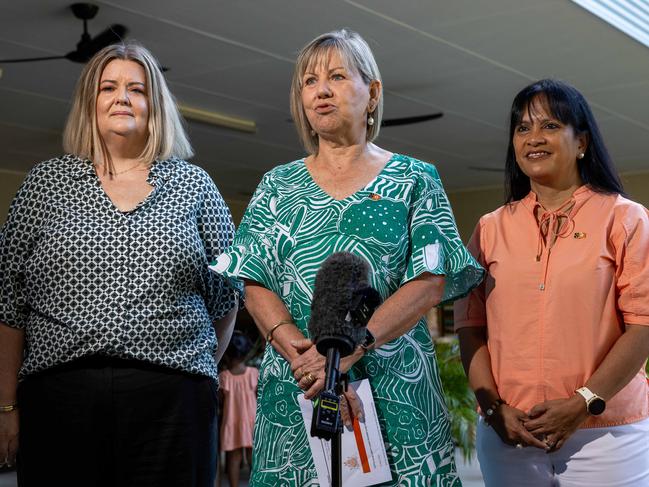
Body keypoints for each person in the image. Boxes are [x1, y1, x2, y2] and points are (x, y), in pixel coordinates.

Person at [210, 29, 483, 486]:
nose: (321, 90)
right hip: (298, 389)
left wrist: (349, 349)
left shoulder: (416, 178)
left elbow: (431, 279)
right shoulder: (276, 185)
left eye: (337, 76)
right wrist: (304, 354)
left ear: (372, 93)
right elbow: (253, 280)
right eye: (309, 81)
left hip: (397, 389)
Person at [0, 42, 240, 487]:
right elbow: (9, 306)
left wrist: (195, 366)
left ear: (156, 105)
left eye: (137, 88)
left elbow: (226, 296)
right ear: (90, 103)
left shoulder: (195, 185)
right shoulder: (45, 183)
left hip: (173, 404)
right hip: (59, 401)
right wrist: (6, 408)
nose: (122, 97)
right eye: (108, 87)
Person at [454, 79, 649, 486]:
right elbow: (470, 328)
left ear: (582, 142)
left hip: (606, 436)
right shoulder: (491, 228)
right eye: (522, 128)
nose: (533, 138)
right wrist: (493, 410)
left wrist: (585, 402)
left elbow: (643, 326)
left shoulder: (625, 219)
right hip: (510, 433)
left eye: (550, 125)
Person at [218, 331, 258, 487]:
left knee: (233, 459)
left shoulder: (224, 376)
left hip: (232, 422)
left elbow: (221, 401)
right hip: (251, 422)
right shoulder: (253, 374)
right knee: (252, 458)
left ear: (227, 354)